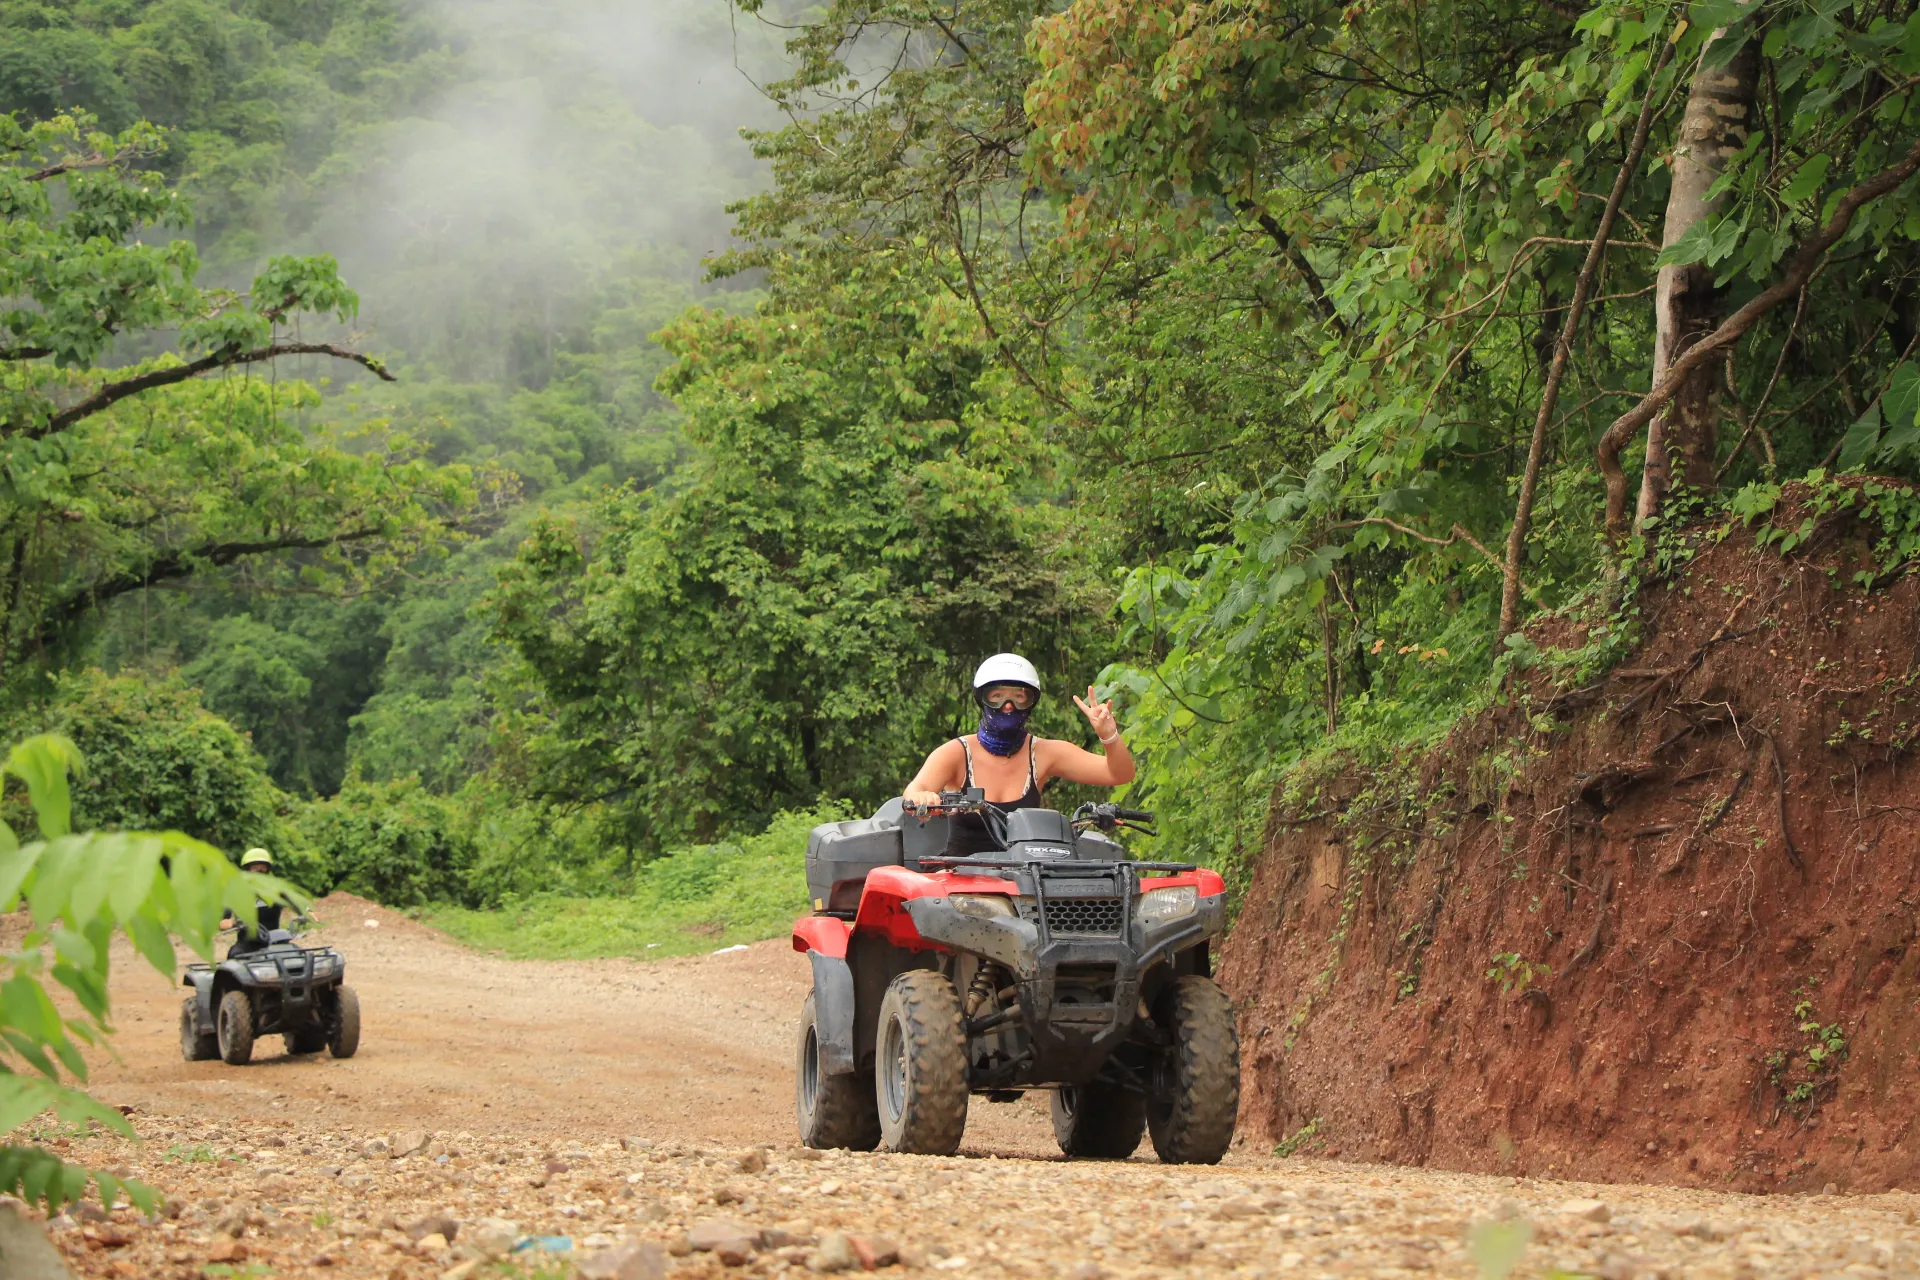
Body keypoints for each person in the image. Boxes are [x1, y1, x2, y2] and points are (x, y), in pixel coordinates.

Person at [903, 653, 1135, 811]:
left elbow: (1119, 774)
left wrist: (1109, 735)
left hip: (1028, 876)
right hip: (962, 877)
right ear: (981, 700)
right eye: (997, 696)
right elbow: (914, 790)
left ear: (1031, 702)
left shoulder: (1044, 752)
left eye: (1018, 696)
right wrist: (922, 797)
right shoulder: (956, 753)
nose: (1008, 704)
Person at [224, 847, 285, 957]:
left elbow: (296, 902)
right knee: (235, 955)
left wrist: (307, 912)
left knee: (293, 955)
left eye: (262, 868)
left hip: (275, 940)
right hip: (248, 943)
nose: (259, 872)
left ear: (268, 870)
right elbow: (223, 917)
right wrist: (228, 922)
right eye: (255, 868)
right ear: (247, 870)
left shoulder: (276, 890)